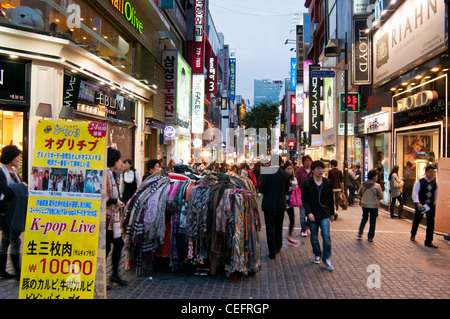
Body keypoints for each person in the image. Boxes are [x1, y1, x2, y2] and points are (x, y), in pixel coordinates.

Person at [301, 160, 335, 271]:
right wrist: (309, 212)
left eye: (322, 168)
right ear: (313, 170)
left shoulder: (328, 182)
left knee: (326, 237)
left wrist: (332, 213)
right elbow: (304, 200)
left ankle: (326, 258)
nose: (320, 170)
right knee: (314, 237)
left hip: (324, 213)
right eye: (318, 168)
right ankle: (317, 253)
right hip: (313, 214)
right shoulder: (307, 183)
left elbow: (330, 198)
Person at [0, 145, 27, 280]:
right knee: (15, 241)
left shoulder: (13, 172)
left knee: (6, 241)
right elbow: (6, 191)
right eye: (17, 156)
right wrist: (20, 187)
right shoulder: (1, 172)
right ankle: (18, 272)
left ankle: (1, 270)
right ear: (11, 157)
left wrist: (21, 186)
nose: (18, 159)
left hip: (12, 212)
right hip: (5, 213)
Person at [260, 156, 290, 260]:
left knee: (270, 227)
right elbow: (286, 188)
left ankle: (272, 252)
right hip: (280, 203)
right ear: (281, 163)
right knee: (279, 225)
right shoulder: (285, 174)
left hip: (268, 203)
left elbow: (261, 188)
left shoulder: (266, 173)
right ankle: (278, 246)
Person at [106, 147, 127, 286]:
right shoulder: (106, 175)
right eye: (119, 159)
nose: (121, 162)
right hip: (106, 218)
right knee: (107, 247)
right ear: (113, 161)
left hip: (111, 219)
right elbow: (102, 196)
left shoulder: (110, 174)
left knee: (118, 244)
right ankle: (104, 277)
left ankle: (114, 275)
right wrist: (115, 201)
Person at [410, 165, 438, 248]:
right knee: (417, 219)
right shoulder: (420, 182)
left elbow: (436, 194)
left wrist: (434, 203)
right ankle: (413, 234)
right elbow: (415, 193)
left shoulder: (434, 183)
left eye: (433, 172)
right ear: (426, 172)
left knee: (431, 223)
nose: (432, 173)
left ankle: (428, 241)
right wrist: (418, 203)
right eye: (431, 172)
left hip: (430, 205)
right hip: (421, 205)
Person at [357, 169, 383, 242]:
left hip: (364, 204)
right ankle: (370, 237)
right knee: (372, 221)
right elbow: (381, 196)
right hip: (374, 205)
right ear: (373, 177)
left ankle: (360, 233)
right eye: (376, 175)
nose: (377, 177)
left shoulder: (364, 184)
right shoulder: (377, 186)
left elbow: (359, 193)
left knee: (364, 218)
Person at [295, 155, 312, 237]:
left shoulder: (313, 171)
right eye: (306, 161)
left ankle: (308, 226)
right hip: (302, 195)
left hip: (311, 195)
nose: (308, 162)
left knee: (310, 212)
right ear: (303, 162)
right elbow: (297, 182)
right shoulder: (299, 171)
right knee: (302, 214)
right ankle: (303, 229)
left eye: (309, 160)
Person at [282, 162, 298, 245]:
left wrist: (295, 188)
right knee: (279, 219)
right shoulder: (282, 178)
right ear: (284, 170)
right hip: (282, 201)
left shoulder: (294, 179)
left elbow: (295, 189)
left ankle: (289, 235)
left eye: (291, 169)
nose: (290, 170)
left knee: (292, 219)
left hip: (290, 202)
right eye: (288, 169)